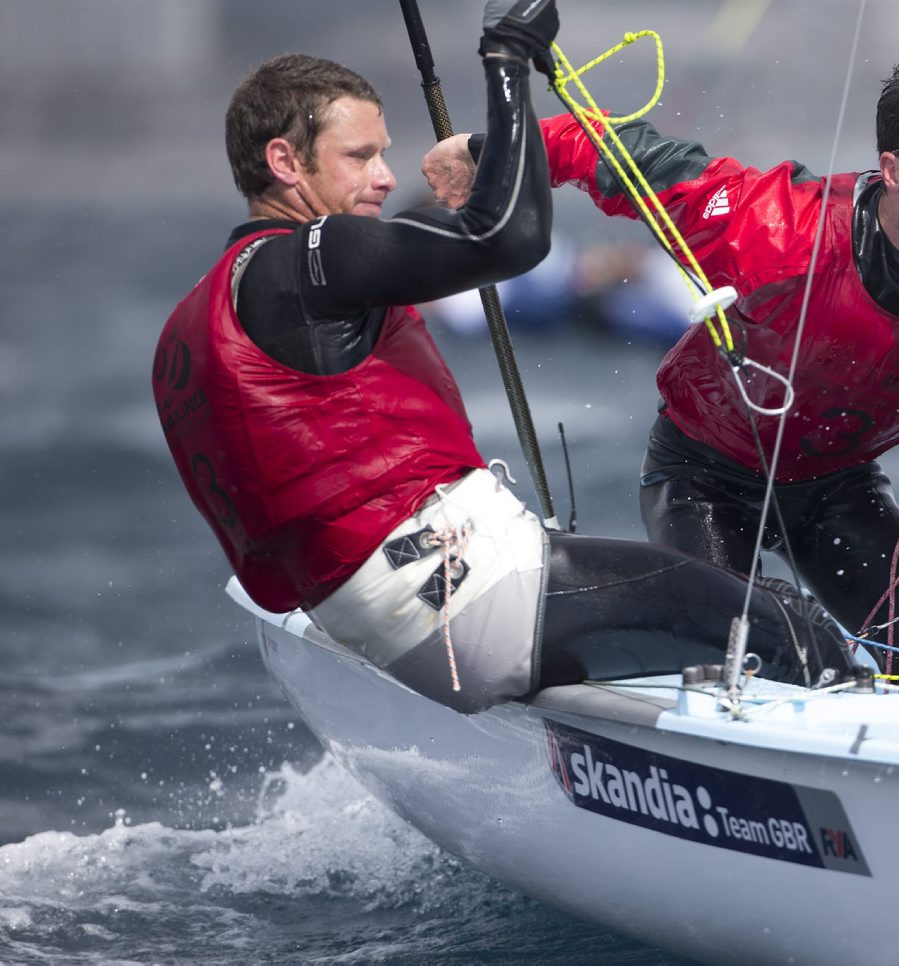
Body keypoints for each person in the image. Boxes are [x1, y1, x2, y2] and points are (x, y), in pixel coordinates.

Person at [152, 0, 856, 715]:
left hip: (388, 618)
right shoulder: (309, 259)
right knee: (791, 631)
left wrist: (481, 178)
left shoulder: (199, 314)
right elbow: (508, 241)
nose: (387, 177)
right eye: (359, 156)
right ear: (283, 162)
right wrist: (508, 59)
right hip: (462, 596)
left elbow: (461, 234)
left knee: (727, 612)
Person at [424, 53, 899, 681]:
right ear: (892, 170)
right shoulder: (777, 229)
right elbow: (625, 153)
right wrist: (489, 154)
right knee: (764, 655)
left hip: (838, 489)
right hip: (705, 479)